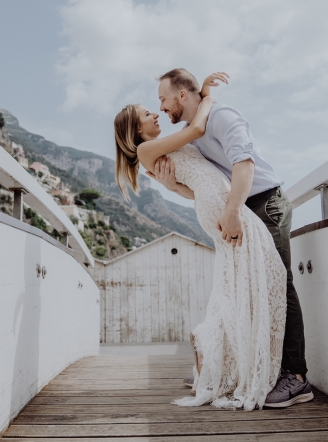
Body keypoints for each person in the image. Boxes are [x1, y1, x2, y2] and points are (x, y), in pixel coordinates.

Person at [113, 73, 291, 411]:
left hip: (220, 205)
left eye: (159, 104)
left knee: (242, 283)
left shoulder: (174, 140)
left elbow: (191, 176)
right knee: (267, 276)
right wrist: (208, 96)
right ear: (136, 131)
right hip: (223, 208)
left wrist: (173, 188)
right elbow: (196, 129)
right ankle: (244, 362)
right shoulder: (149, 147)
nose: (156, 112)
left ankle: (221, 359)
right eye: (148, 113)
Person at [150, 68, 312, 408]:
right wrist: (170, 186)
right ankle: (255, 368)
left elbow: (245, 163)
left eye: (163, 100)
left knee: (278, 283)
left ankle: (296, 378)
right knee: (249, 290)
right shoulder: (190, 133)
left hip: (264, 203)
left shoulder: (223, 116)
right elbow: (203, 188)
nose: (161, 108)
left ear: (181, 95)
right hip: (238, 209)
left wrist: (234, 211)